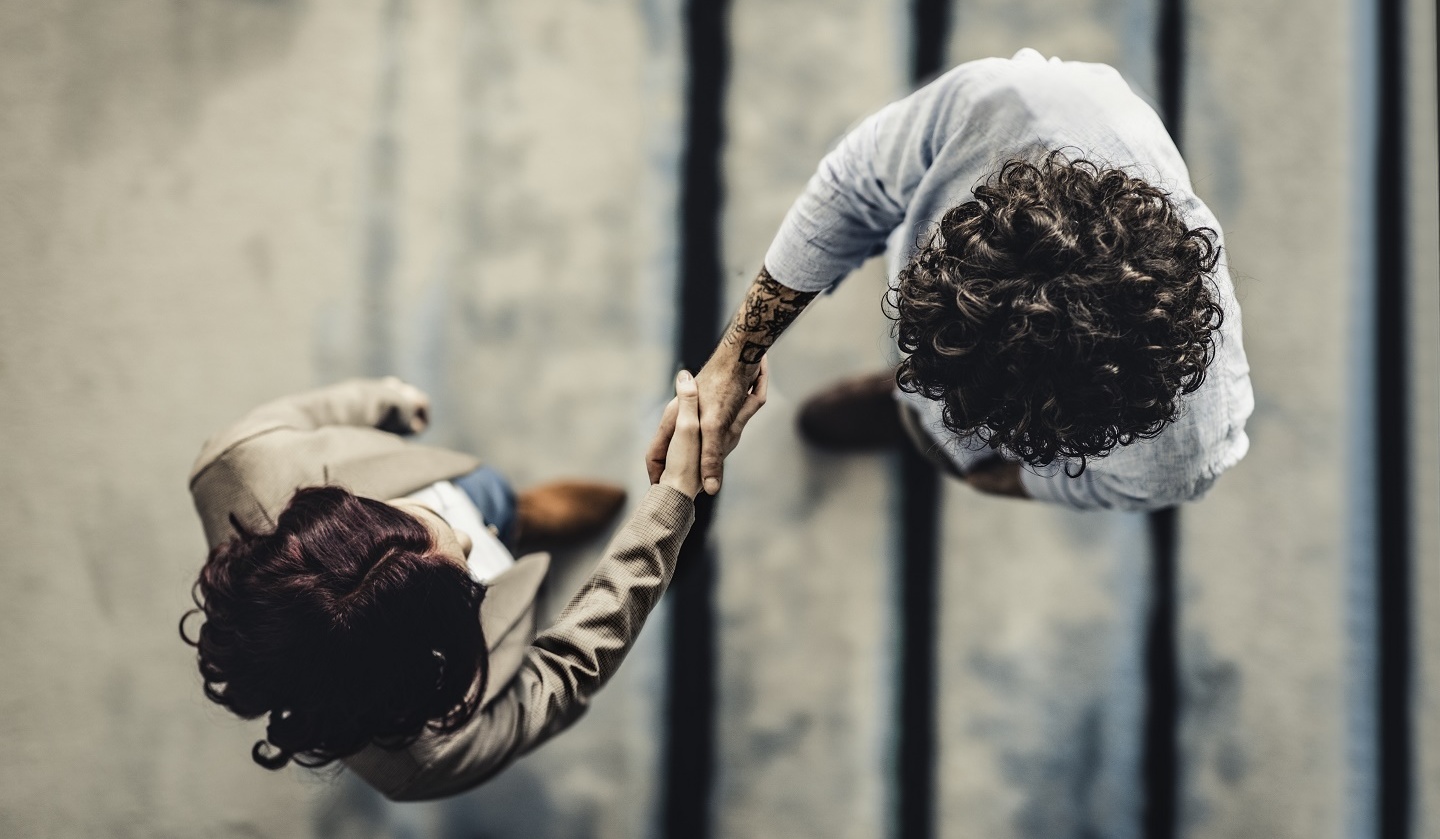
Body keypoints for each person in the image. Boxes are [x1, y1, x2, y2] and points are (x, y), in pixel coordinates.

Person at [646, 48, 1252, 512]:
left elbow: (1113, 487)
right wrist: (733, 360)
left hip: (1020, 433)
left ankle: (917, 423)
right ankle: (912, 409)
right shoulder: (1009, 105)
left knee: (950, 442)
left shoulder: (1181, 456)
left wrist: (990, 475)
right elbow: (854, 188)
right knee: (940, 406)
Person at [183, 367, 766, 800]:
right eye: (466, 580)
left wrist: (386, 401)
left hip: (444, 489)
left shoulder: (238, 461)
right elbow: (564, 669)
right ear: (417, 668)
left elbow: (304, 416)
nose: (466, 539)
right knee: (491, 523)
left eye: (413, 517)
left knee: (490, 500)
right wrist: (672, 502)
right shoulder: (428, 759)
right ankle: (516, 522)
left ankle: (521, 514)